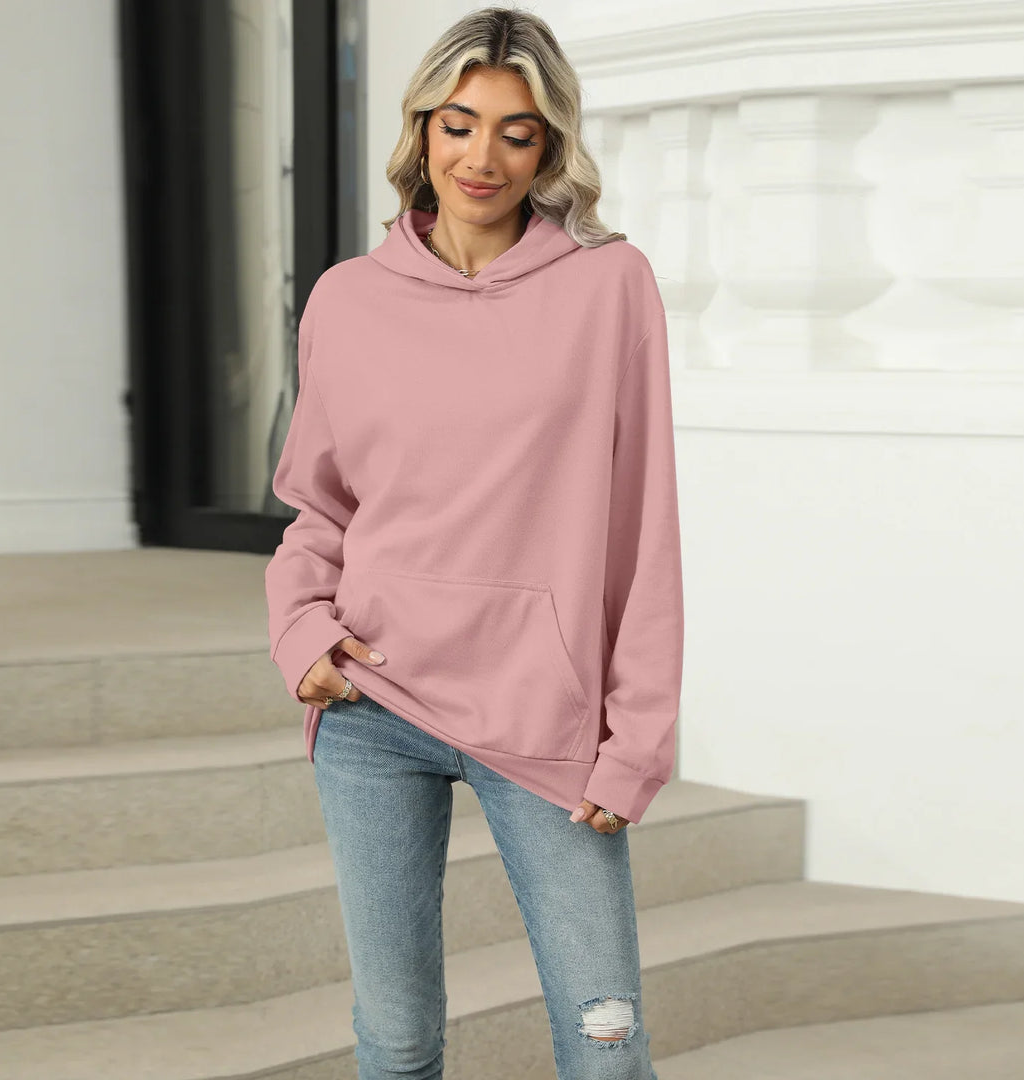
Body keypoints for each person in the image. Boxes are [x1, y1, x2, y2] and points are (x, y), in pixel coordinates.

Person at [264, 7, 684, 1078]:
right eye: (458, 124)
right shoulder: (347, 300)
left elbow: (643, 522)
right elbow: (320, 505)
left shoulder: (608, 286)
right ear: (420, 130)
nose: (481, 157)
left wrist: (636, 736)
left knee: (606, 1046)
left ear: (551, 146)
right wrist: (299, 630)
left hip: (545, 716)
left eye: (517, 130)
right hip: (374, 704)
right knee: (396, 1043)